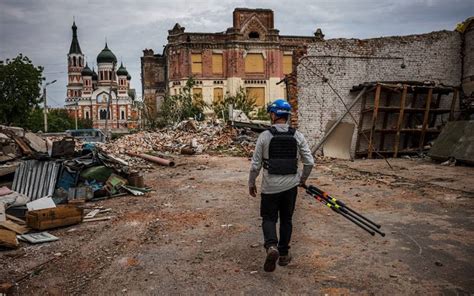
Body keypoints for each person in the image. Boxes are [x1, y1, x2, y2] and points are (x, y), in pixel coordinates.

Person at [248, 99, 314, 272]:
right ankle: (283, 255)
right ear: (286, 115)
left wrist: (251, 182)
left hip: (270, 187)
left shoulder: (264, 136)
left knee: (269, 218)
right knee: (287, 219)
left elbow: (255, 165)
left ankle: (271, 247)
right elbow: (309, 162)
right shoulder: (297, 135)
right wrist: (302, 179)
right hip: (291, 186)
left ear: (274, 114)